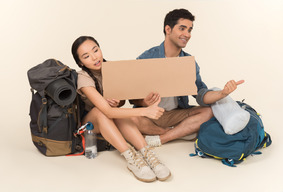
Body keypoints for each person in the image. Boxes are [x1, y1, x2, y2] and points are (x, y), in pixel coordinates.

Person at [129, 8, 244, 147]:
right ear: (168, 29)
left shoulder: (189, 62)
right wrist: (144, 102)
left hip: (175, 114)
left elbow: (201, 95)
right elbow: (132, 97)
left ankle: (161, 138)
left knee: (208, 112)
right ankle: (176, 132)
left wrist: (222, 93)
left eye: (189, 30)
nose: (187, 34)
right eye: (182, 28)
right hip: (150, 115)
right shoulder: (147, 58)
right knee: (129, 117)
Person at [71, 36, 171, 182]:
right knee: (102, 112)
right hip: (90, 124)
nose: (94, 57)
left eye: (95, 50)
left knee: (117, 114)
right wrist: (145, 111)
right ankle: (131, 158)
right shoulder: (83, 77)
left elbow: (121, 103)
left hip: (110, 119)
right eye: (86, 56)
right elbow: (107, 111)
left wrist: (118, 101)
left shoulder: (113, 68)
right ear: (81, 62)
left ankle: (147, 153)